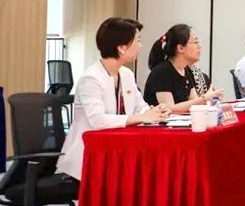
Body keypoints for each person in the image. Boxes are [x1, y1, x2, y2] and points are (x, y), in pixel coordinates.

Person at [57, 18, 170, 182]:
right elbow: (98, 120)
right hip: (90, 155)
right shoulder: (91, 79)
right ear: (122, 48)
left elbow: (140, 106)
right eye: (137, 41)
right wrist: (142, 117)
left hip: (117, 149)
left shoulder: (126, 74)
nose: (140, 46)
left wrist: (154, 112)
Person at [144, 24, 222, 112]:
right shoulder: (161, 72)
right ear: (180, 48)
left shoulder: (186, 69)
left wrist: (211, 99)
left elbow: (194, 103)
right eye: (195, 42)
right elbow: (169, 109)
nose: (199, 46)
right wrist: (205, 98)